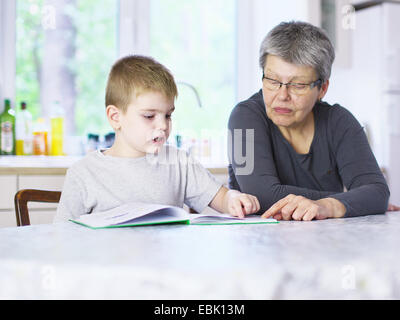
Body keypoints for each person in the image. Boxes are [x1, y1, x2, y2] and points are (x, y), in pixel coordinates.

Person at [54, 55, 260, 222]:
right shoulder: (84, 173)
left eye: (168, 115)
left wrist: (234, 198)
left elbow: (221, 197)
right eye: (149, 116)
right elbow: (61, 238)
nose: (163, 125)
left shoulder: (180, 163)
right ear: (116, 118)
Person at [228, 21, 391, 221]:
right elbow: (261, 195)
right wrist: (349, 201)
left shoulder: (340, 122)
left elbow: (377, 193)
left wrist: (329, 205)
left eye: (298, 85)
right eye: (272, 80)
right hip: (259, 242)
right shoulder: (243, 117)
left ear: (322, 89)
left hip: (326, 242)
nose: (282, 95)